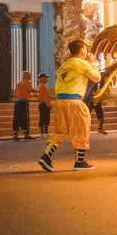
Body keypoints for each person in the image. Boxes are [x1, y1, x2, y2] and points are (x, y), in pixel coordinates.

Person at [38, 40, 101, 172]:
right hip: (74, 101)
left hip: (60, 101)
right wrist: (93, 63)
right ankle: (79, 162)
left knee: (60, 131)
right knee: (81, 129)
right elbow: (97, 78)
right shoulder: (83, 64)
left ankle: (46, 156)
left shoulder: (64, 65)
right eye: (85, 48)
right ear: (82, 50)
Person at [13, 71, 34, 140]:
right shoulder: (27, 83)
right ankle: (26, 134)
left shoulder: (18, 84)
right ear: (26, 76)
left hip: (17, 102)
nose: (30, 76)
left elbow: (15, 94)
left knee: (16, 117)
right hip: (23, 102)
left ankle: (15, 134)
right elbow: (31, 90)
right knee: (25, 117)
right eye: (29, 75)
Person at [37, 73, 52, 138]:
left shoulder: (39, 86)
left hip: (41, 104)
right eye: (45, 78)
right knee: (46, 118)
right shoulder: (43, 87)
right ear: (42, 79)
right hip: (44, 104)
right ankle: (45, 133)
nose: (46, 79)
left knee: (42, 118)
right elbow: (45, 97)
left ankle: (41, 133)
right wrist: (49, 105)